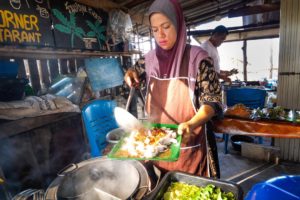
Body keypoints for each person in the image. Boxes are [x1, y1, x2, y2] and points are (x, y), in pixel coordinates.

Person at [124, 0, 222, 178]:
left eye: (166, 26)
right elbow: (133, 73)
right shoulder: (147, 60)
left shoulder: (199, 59)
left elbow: (211, 103)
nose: (160, 34)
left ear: (178, 24)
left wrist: (191, 124)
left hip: (192, 150)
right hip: (157, 145)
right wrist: (130, 73)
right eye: (154, 30)